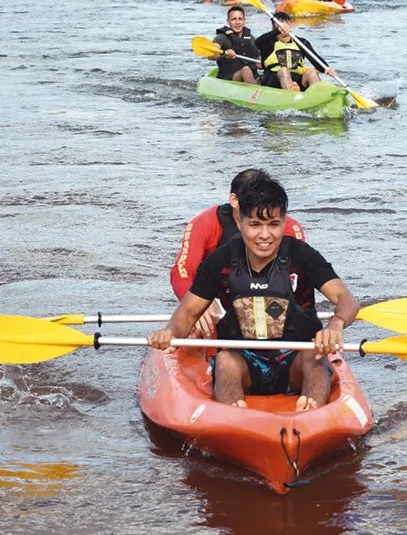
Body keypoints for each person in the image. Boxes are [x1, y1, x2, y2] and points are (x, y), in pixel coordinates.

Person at [150, 176, 359, 412]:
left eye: (273, 224)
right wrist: (169, 333)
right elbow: (187, 314)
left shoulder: (302, 255)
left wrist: (335, 324)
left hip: (296, 361)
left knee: (315, 358)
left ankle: (312, 414)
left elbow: (347, 300)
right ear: (240, 221)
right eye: (255, 225)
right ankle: (233, 415)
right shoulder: (221, 261)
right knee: (225, 361)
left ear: (283, 222)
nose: (265, 235)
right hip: (243, 362)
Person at [170, 169, 305, 334]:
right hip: (217, 299)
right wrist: (200, 306)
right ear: (234, 200)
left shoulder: (289, 227)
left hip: (273, 299)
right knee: (197, 331)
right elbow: (182, 269)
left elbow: (300, 279)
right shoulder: (204, 224)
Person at [255, 12, 336, 92]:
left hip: (297, 79)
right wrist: (277, 31)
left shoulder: (302, 43)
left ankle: (319, 96)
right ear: (273, 28)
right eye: (280, 26)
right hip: (273, 79)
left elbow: (315, 59)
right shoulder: (268, 43)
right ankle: (292, 95)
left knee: (311, 72)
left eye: (287, 25)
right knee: (284, 70)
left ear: (290, 26)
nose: (284, 28)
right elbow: (257, 43)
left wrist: (326, 68)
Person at [209, 6, 260, 84]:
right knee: (245, 70)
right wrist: (224, 54)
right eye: (234, 19)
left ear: (244, 21)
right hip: (230, 77)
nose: (237, 22)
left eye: (240, 19)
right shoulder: (221, 37)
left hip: (252, 76)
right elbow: (211, 55)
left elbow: (259, 61)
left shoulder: (250, 38)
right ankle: (255, 93)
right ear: (228, 21)